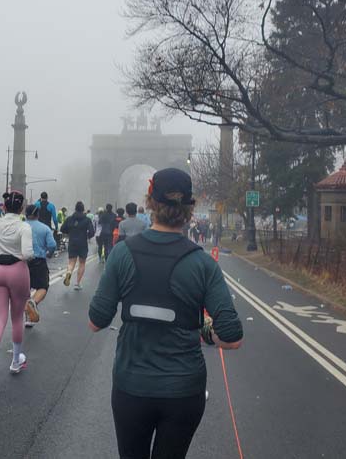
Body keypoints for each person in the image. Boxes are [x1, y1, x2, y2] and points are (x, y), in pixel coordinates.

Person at [88, 168, 243, 459]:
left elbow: (97, 321)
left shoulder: (122, 253)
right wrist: (203, 329)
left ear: (150, 202)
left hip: (131, 386)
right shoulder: (203, 263)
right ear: (190, 208)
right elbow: (232, 338)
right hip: (184, 390)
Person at [0, 190, 33, 390]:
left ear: (4, 206)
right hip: (17, 271)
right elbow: (27, 254)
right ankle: (16, 360)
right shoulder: (24, 226)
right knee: (17, 318)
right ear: (21, 207)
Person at [23, 204, 56, 327]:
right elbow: (52, 245)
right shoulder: (45, 228)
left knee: (26, 288)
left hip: (22, 261)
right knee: (43, 286)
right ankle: (34, 302)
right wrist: (49, 253)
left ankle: (28, 318)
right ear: (38, 215)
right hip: (38, 261)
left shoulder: (20, 227)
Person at [60, 201, 95, 290]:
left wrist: (70, 232)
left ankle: (69, 272)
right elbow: (92, 232)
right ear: (83, 210)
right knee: (82, 263)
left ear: (75, 209)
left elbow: (62, 229)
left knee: (71, 262)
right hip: (82, 243)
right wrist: (87, 236)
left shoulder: (69, 219)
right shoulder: (87, 220)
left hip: (72, 242)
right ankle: (78, 283)